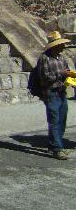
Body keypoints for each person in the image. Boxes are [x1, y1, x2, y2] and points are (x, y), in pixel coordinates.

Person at [38, 31, 76, 160]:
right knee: (54, 120)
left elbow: (67, 74)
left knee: (62, 120)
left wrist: (71, 80)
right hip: (51, 93)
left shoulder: (62, 58)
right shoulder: (44, 58)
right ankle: (57, 149)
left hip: (62, 92)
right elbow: (44, 77)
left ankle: (53, 144)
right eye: (61, 45)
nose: (63, 47)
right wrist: (61, 74)